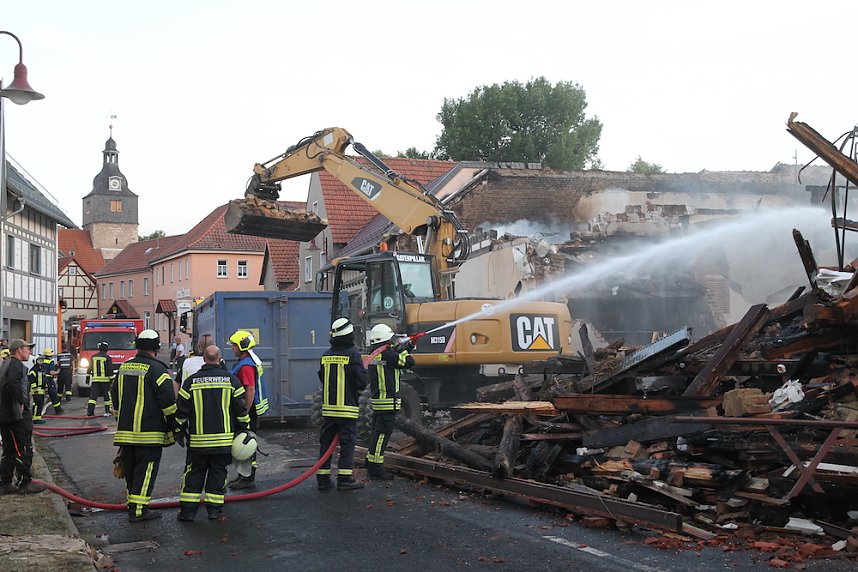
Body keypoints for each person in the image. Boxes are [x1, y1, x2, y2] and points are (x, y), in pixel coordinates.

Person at [175, 345, 251, 522]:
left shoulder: (191, 382)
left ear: (204, 359)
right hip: (223, 442)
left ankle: (188, 513)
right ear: (220, 359)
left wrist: (179, 430)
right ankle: (214, 511)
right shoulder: (232, 381)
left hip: (198, 443)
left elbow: (181, 411)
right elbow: (241, 410)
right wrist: (244, 429)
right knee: (218, 475)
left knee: (193, 475)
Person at [111, 329, 178, 522]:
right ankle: (139, 510)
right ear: (156, 348)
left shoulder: (123, 368)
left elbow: (114, 396)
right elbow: (168, 404)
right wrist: (176, 426)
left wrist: (120, 420)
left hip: (125, 433)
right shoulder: (158, 371)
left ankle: (133, 504)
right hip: (149, 434)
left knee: (130, 470)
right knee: (146, 471)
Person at [316, 318, 367, 491]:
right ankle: (345, 479)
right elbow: (361, 382)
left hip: (329, 410)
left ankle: (323, 480)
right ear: (350, 335)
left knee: (326, 444)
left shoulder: (326, 356)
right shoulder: (353, 354)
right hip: (347, 410)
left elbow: (322, 378)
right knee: (347, 444)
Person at [365, 324, 415, 480]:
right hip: (388, 402)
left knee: (376, 434)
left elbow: (398, 360)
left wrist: (407, 347)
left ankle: (370, 462)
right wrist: (403, 350)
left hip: (379, 401)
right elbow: (409, 362)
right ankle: (376, 468)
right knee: (382, 435)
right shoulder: (388, 355)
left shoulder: (375, 354)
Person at [0, 339, 48, 494]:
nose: (30, 352)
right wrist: (21, 401)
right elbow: (12, 384)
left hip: (6, 416)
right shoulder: (16, 365)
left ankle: (6, 482)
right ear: (19, 349)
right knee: (23, 448)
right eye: (28, 348)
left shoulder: (6, 364)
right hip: (16, 417)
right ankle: (24, 483)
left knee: (9, 450)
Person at [226, 330, 269, 490]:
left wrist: (244, 412)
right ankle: (243, 476)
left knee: (245, 444)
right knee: (243, 443)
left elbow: (249, 390)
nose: (232, 348)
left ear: (242, 346)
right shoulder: (246, 362)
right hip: (248, 409)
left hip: (247, 411)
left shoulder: (245, 366)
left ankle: (247, 478)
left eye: (234, 345)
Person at [87, 341, 114, 417]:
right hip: (105, 381)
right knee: (107, 397)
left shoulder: (93, 357)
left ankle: (90, 412)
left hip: (95, 381)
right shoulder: (107, 358)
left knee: (93, 397)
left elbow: (89, 368)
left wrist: (87, 377)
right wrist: (111, 380)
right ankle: (108, 411)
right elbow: (110, 370)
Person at [39, 348, 63, 415]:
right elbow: (51, 372)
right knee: (53, 395)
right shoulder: (50, 361)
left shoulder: (41, 360)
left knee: (40, 396)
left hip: (41, 379)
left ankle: (36, 410)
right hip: (49, 380)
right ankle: (58, 409)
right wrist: (57, 372)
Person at [28, 357, 48, 424]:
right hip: (36, 390)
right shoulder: (33, 370)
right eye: (39, 360)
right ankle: (36, 418)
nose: (40, 362)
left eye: (41, 360)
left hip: (41, 389)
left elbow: (44, 379)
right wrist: (34, 387)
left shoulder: (42, 369)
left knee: (40, 404)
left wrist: (46, 386)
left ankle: (38, 417)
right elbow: (31, 379)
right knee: (37, 404)